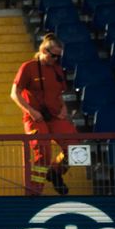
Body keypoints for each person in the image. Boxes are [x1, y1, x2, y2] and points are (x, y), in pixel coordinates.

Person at [12, 33, 75, 196]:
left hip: (55, 116)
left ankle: (55, 172)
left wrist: (64, 108)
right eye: (53, 56)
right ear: (44, 51)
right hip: (36, 118)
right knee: (43, 153)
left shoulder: (57, 70)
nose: (56, 59)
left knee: (76, 148)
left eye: (58, 57)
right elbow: (14, 93)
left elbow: (59, 93)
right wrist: (31, 111)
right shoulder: (28, 67)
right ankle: (34, 192)